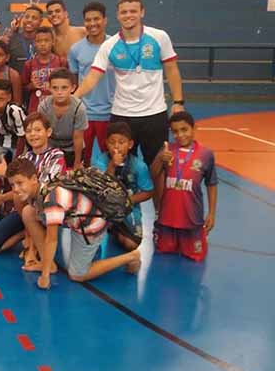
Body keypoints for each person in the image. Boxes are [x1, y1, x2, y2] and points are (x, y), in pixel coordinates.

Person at [74, 0, 185, 166]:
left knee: (158, 165)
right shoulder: (109, 46)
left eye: (133, 11)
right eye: (124, 12)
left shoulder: (159, 37)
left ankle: (157, 194)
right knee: (120, 166)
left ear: (142, 12)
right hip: (122, 115)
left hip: (154, 114)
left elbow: (171, 70)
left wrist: (178, 101)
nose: (128, 16)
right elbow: (92, 77)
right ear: (118, 15)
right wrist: (74, 97)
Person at [13, 158, 142, 290]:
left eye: (19, 183)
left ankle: (131, 256)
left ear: (34, 179)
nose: (15, 189)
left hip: (91, 224)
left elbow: (52, 239)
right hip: (76, 214)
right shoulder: (42, 186)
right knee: (28, 212)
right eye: (12, 185)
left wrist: (45, 276)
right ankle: (50, 264)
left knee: (77, 274)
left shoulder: (50, 200)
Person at [0, 112, 64, 256]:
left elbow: (44, 189)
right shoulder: (25, 157)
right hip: (24, 209)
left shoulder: (56, 156)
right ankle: (26, 233)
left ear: (48, 132)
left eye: (38, 130)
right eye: (28, 131)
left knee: (20, 200)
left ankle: (31, 243)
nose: (33, 134)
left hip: (46, 211)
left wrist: (6, 172)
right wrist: (1, 198)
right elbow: (20, 189)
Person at [150, 111, 217, 262]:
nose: (180, 135)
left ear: (194, 128)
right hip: (167, 219)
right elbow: (153, 175)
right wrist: (160, 159)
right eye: (175, 131)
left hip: (191, 219)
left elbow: (211, 184)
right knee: (163, 255)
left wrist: (212, 214)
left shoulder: (205, 154)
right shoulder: (167, 150)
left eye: (184, 129)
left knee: (196, 257)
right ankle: (158, 229)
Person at [92, 121, 154, 251]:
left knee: (131, 244)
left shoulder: (138, 165)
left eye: (121, 142)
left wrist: (128, 200)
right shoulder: (100, 161)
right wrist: (112, 166)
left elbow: (148, 192)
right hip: (104, 208)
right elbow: (102, 185)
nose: (116, 147)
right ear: (106, 144)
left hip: (128, 208)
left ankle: (117, 229)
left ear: (130, 144)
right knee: (90, 240)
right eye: (112, 142)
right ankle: (109, 226)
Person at [68, 1, 115, 165]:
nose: (92, 23)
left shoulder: (115, 45)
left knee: (111, 158)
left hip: (111, 112)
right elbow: (74, 81)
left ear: (105, 20)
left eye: (97, 19)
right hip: (84, 114)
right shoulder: (75, 50)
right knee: (82, 159)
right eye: (88, 20)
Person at [38, 68, 88, 169]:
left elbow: (78, 137)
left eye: (64, 88)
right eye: (55, 88)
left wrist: (77, 162)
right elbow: (42, 133)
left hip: (72, 149)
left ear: (73, 88)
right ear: (49, 88)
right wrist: (42, 156)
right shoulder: (44, 106)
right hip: (51, 147)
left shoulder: (79, 108)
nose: (59, 92)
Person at [22, 26, 66, 114]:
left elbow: (68, 85)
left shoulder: (61, 62)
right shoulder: (29, 64)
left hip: (56, 108)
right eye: (39, 41)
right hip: (35, 109)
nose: (43, 44)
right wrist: (32, 86)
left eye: (46, 40)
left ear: (53, 42)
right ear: (34, 43)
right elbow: (23, 87)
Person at [7, 5, 42, 73]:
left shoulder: (44, 41)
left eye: (34, 18)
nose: (29, 20)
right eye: (26, 17)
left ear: (40, 21)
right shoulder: (11, 40)